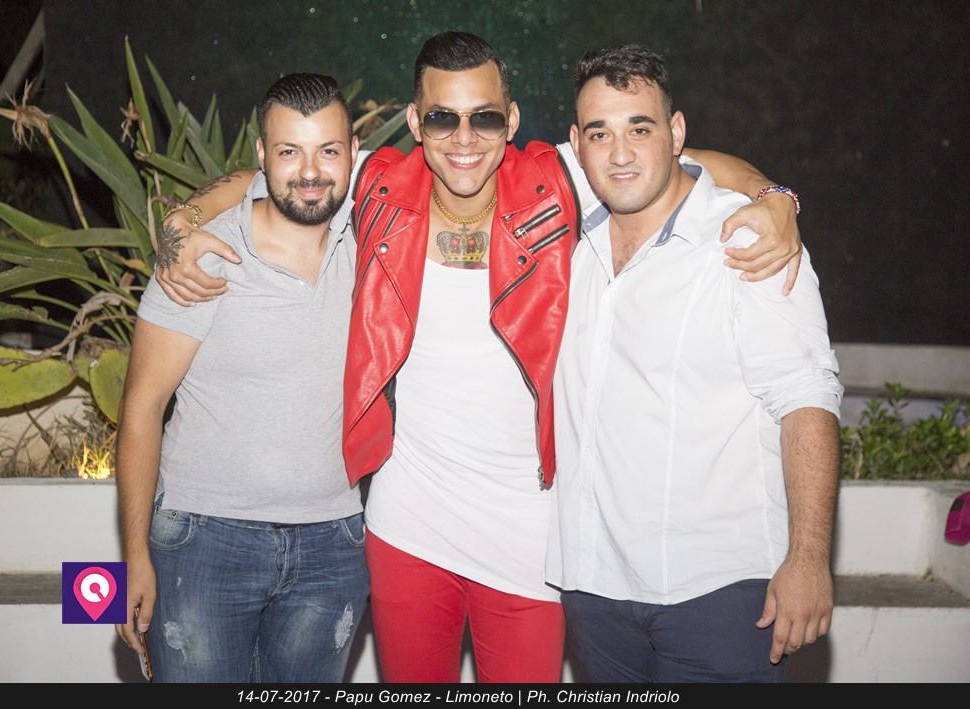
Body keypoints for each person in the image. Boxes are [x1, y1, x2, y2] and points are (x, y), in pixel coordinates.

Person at [157, 32, 802, 683]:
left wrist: (775, 197)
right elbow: (262, 177)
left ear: (511, 120)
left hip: (530, 539)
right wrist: (184, 218)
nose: (463, 138)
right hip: (407, 528)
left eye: (484, 118)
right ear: (416, 123)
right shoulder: (377, 185)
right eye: (442, 118)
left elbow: (685, 162)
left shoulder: (557, 180)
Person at [547, 45, 841, 683]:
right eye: (599, 133)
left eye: (640, 129)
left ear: (676, 133)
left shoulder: (745, 240)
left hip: (719, 596)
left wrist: (809, 558)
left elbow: (806, 397)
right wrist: (774, 189)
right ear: (576, 145)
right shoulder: (567, 234)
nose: (619, 153)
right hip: (594, 591)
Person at [114, 73, 369, 682]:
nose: (311, 171)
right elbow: (143, 406)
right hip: (204, 542)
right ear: (262, 156)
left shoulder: (372, 238)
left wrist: (182, 212)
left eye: (328, 150)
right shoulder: (202, 260)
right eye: (289, 151)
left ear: (354, 154)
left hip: (333, 545)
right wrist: (133, 557)